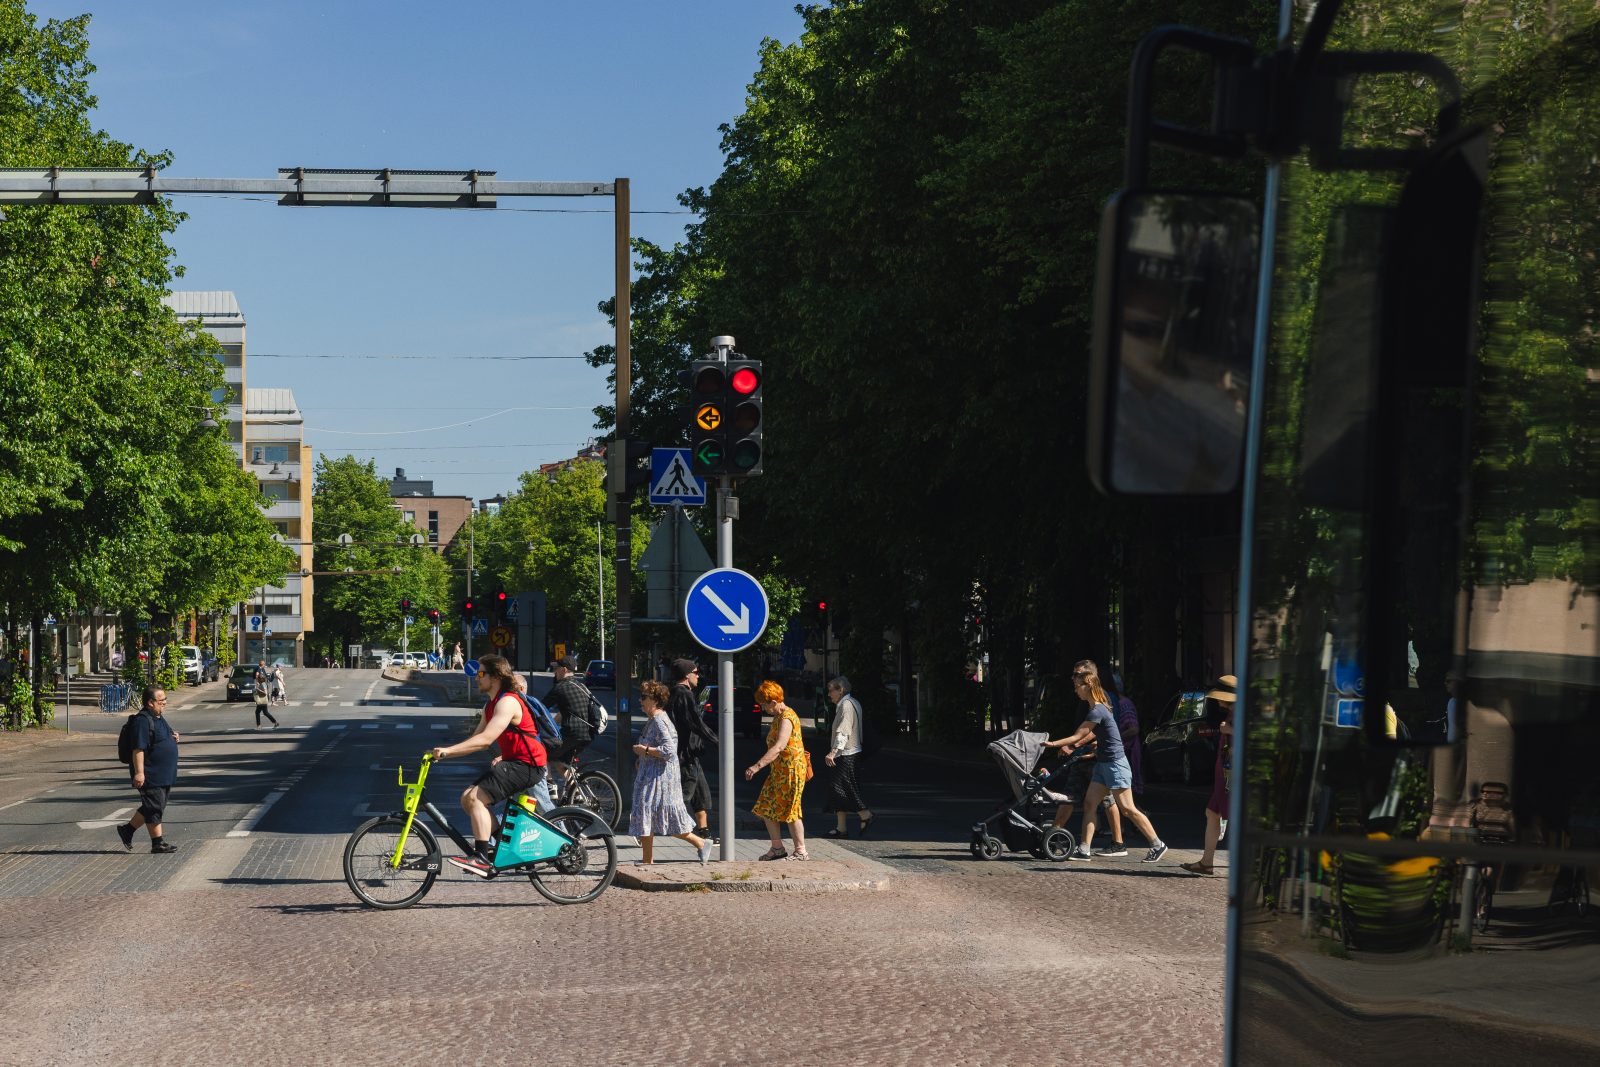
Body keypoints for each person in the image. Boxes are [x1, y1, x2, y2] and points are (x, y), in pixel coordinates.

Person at [431, 653, 549, 877]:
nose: (476, 678)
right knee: (467, 799)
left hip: (528, 764)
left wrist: (448, 751)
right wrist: (444, 754)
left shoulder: (508, 702)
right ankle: (503, 847)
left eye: (481, 674)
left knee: (476, 797)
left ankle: (481, 858)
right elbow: (475, 741)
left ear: (495, 676)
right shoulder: (491, 705)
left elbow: (486, 740)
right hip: (515, 763)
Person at [1045, 667, 1168, 863]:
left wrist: (1051, 744)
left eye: (1077, 686)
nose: (1075, 690)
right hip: (1103, 764)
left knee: (1127, 808)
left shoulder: (1097, 710)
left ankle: (1157, 844)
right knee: (1089, 803)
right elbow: (1092, 736)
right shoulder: (1096, 708)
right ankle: (1084, 849)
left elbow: (1079, 735)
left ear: (1088, 686)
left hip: (1115, 765)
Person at [629, 680, 715, 864]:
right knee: (650, 817)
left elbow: (669, 750)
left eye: (644, 697)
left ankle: (700, 843)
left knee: (656, 816)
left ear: (655, 700)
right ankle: (648, 860)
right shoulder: (654, 719)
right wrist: (642, 758)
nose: (640, 701)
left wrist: (644, 750)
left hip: (658, 780)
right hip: (652, 776)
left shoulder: (659, 720)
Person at [745, 680, 809, 860]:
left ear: (773, 702)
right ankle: (777, 848)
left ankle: (801, 851)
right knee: (766, 806)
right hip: (778, 772)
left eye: (764, 705)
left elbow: (779, 746)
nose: (763, 708)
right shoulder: (778, 717)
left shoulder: (787, 717)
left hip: (791, 771)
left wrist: (757, 766)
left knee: (791, 810)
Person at [115, 687, 181, 854]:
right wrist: (139, 773)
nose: (165, 702)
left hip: (163, 773)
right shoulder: (142, 721)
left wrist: (173, 737)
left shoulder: (158, 717)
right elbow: (138, 748)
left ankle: (127, 830)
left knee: (153, 805)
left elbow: (162, 735)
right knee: (154, 806)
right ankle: (157, 843)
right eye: (161, 700)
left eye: (165, 699)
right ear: (150, 702)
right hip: (151, 773)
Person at [1182, 675, 1236, 875]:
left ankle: (1241, 867)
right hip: (1225, 773)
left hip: (1231, 776)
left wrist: (1229, 729)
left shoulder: (1240, 714)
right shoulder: (1233, 712)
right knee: (1212, 813)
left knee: (1233, 818)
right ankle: (1206, 862)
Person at [664, 658, 717, 835]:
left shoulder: (677, 693)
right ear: (687, 675)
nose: (698, 676)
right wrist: (716, 741)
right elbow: (694, 722)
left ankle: (704, 834)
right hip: (685, 755)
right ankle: (648, 829)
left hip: (691, 754)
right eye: (695, 672)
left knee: (701, 796)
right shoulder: (683, 694)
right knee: (683, 796)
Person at [822, 676, 874, 838]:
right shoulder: (853, 702)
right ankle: (841, 828)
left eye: (831, 690)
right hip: (851, 752)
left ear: (840, 690)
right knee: (839, 790)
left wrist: (833, 752)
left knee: (842, 788)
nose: (829, 694)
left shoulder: (846, 706)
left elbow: (844, 732)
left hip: (846, 754)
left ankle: (865, 814)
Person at [543, 655, 601, 795]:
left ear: (563, 670)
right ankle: (577, 793)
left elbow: (541, 708)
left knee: (542, 751)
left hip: (572, 733)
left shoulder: (560, 687)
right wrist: (553, 724)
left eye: (556, 669)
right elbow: (570, 711)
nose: (554, 672)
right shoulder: (581, 686)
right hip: (588, 735)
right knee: (560, 760)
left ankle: (550, 785)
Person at [1109, 669, 1144, 796]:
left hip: (1127, 753)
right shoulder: (1117, 703)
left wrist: (1115, 737)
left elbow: (1133, 729)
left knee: (1125, 796)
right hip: (1122, 753)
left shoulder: (1124, 704)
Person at [253, 661, 278, 729]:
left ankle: (259, 725)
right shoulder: (261, 683)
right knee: (265, 712)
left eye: (258, 678)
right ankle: (275, 722)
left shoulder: (263, 684)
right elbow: (257, 674)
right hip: (262, 699)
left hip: (263, 699)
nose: (257, 678)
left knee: (258, 712)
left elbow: (265, 693)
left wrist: (258, 690)